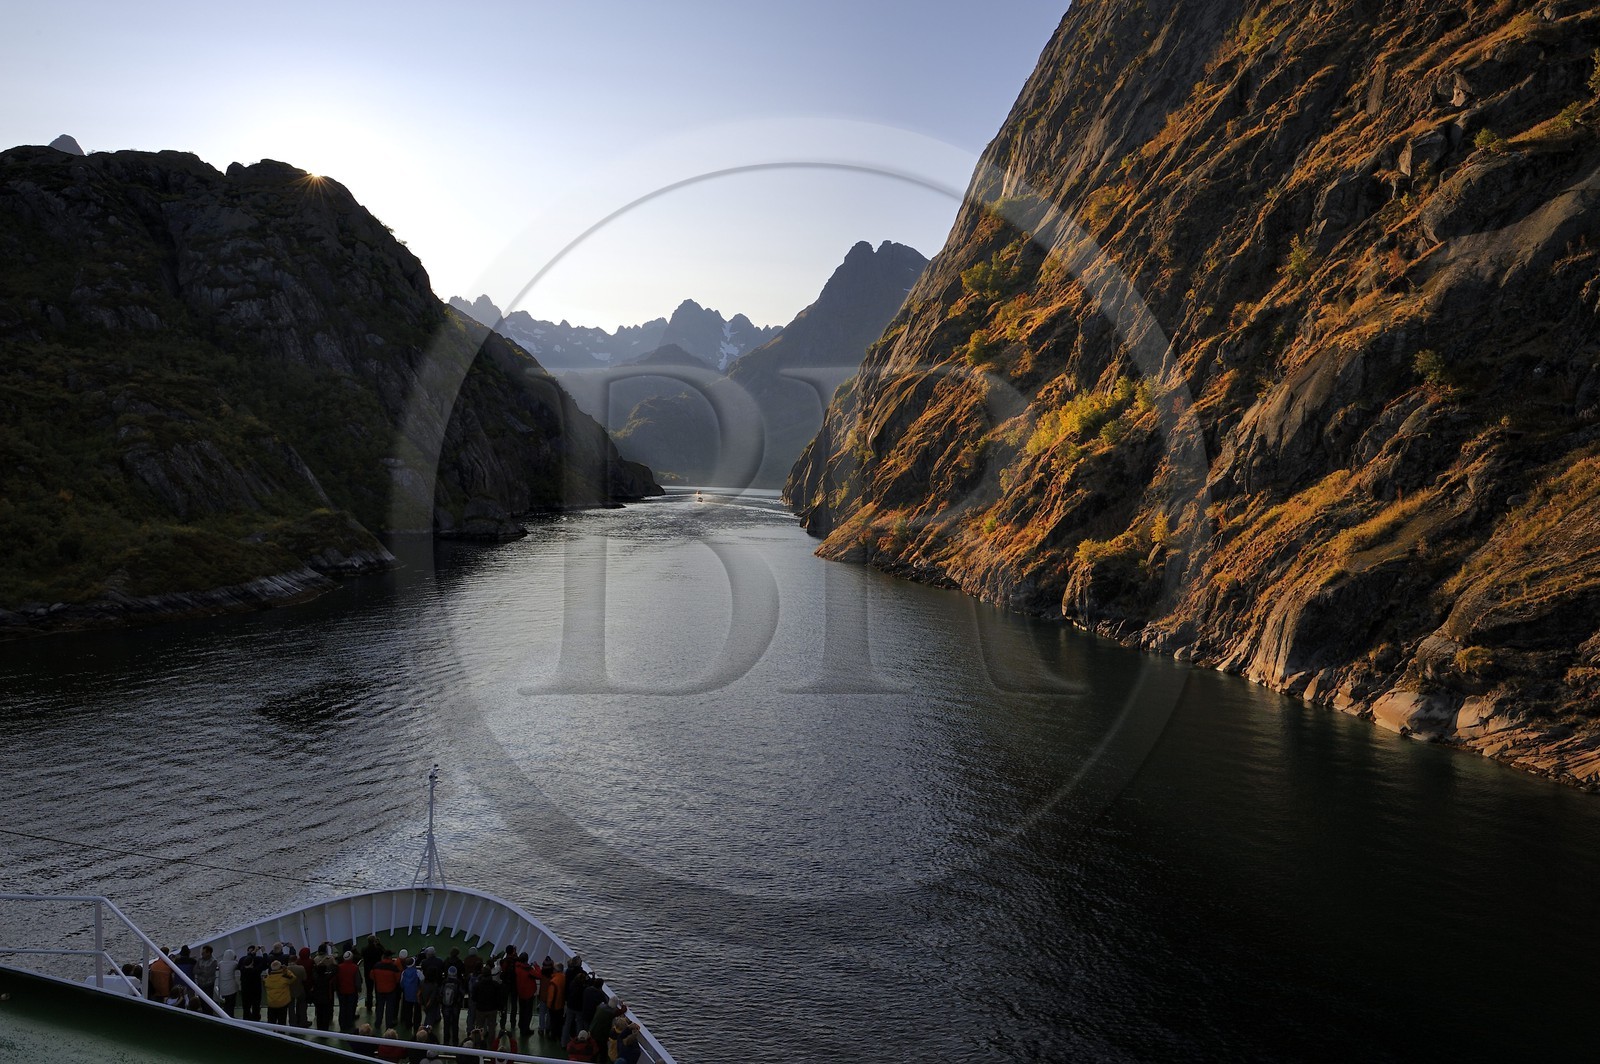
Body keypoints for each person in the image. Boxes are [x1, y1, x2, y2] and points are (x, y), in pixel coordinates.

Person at [372, 950, 403, 1032]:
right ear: (389, 957)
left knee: (379, 1007)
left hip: (379, 990)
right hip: (390, 991)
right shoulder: (394, 968)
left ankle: (378, 1023)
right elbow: (397, 979)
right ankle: (388, 1025)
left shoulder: (376, 965)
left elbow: (372, 976)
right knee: (389, 1008)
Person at [471, 970, 505, 1038]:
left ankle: (478, 1043)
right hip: (492, 1009)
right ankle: (491, 1044)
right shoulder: (496, 985)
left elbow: (473, 998)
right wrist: (501, 1007)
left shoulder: (477, 985)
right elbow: (499, 997)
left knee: (479, 1028)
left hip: (480, 1009)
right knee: (492, 1028)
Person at [513, 952, 538, 1040]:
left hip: (521, 993)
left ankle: (521, 1026)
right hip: (528, 994)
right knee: (528, 1013)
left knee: (522, 1011)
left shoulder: (516, 967)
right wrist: (536, 966)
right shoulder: (528, 970)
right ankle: (525, 1029)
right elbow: (539, 975)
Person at [237, 945, 265, 1022]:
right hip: (256, 989)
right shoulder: (257, 967)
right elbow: (265, 963)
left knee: (246, 1007)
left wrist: (251, 953)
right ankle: (256, 1020)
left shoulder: (242, 964)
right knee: (256, 1006)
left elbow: (242, 964)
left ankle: (246, 1020)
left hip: (245, 989)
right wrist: (263, 952)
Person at [338, 949, 363, 1032]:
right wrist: (359, 989)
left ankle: (342, 1024)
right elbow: (358, 981)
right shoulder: (355, 967)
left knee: (342, 1008)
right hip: (351, 991)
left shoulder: (339, 967)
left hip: (341, 991)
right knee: (350, 1008)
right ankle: (349, 1024)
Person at [439, 965, 464, 1046]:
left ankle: (446, 1041)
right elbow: (462, 993)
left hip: (446, 1006)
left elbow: (441, 993)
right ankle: (455, 1041)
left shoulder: (444, 982)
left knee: (446, 1024)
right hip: (456, 1006)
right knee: (455, 1023)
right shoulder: (458, 982)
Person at [263, 959, 294, 1026]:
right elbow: (293, 978)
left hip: (271, 1003)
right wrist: (286, 970)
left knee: (271, 1022)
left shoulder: (267, 979)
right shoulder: (284, 978)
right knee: (282, 1022)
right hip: (282, 1003)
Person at [361, 934, 386, 1013]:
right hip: (377, 972)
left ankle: (369, 1006)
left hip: (368, 972)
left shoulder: (364, 949)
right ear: (375, 941)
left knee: (369, 990)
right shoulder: (378, 949)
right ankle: (378, 1005)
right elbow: (384, 952)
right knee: (377, 990)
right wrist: (379, 944)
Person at [400, 954, 423, 1031]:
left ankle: (408, 1024)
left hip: (407, 995)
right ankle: (417, 1025)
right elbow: (423, 981)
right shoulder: (418, 972)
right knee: (417, 1011)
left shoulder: (404, 972)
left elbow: (401, 984)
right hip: (416, 995)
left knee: (408, 1010)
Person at [217, 948, 239, 1016]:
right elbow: (238, 963)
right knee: (231, 1004)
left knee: (226, 1003)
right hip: (232, 987)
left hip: (223, 987)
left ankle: (226, 1016)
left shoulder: (220, 963)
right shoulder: (234, 963)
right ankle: (231, 1016)